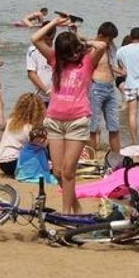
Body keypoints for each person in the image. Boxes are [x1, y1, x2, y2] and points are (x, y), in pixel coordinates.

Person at [32, 16, 107, 214]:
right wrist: (55, 23)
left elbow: (101, 46)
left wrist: (82, 42)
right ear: (62, 54)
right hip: (55, 120)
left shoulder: (87, 62)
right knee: (57, 171)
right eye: (70, 53)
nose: (74, 55)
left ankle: (66, 213)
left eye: (76, 51)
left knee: (68, 170)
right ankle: (77, 207)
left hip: (78, 120)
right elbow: (36, 39)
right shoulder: (56, 61)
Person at [87, 21, 122, 154]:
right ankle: (91, 158)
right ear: (101, 35)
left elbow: (111, 64)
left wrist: (121, 72)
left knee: (114, 126)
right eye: (109, 38)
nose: (111, 41)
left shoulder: (110, 48)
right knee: (93, 127)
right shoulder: (92, 47)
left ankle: (117, 158)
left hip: (110, 87)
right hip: (96, 86)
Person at [0, 92, 46, 177]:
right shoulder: (29, 128)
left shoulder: (11, 120)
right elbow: (41, 145)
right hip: (14, 162)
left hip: (1, 161)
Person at [25, 36, 54, 103]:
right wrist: (47, 91)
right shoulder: (32, 50)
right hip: (41, 96)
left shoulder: (59, 47)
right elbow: (31, 74)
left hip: (59, 97)